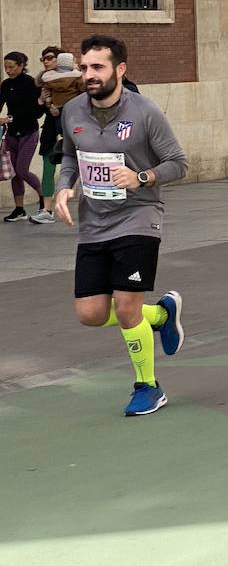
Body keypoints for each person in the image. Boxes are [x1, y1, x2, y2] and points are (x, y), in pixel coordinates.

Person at [54, 34, 189, 416]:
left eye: (97, 67)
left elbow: (178, 163)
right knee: (91, 313)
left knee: (128, 308)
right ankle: (161, 315)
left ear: (120, 69)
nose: (88, 75)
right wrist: (64, 188)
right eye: (84, 67)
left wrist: (141, 178)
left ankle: (147, 386)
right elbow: (69, 156)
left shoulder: (146, 112)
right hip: (94, 222)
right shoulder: (74, 111)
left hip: (139, 217)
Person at [32, 49, 83, 224]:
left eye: (50, 58)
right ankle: (46, 209)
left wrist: (59, 108)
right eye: (43, 59)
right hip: (50, 127)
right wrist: (41, 101)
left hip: (73, 126)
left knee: (78, 163)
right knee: (48, 162)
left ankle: (85, 204)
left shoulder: (76, 78)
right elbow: (36, 113)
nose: (46, 62)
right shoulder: (44, 82)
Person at [0, 51, 45, 221]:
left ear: (21, 66)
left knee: (22, 169)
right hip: (11, 133)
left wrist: (8, 118)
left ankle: (44, 197)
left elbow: (35, 112)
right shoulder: (5, 85)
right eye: (6, 67)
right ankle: (19, 209)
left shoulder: (30, 83)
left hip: (28, 132)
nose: (8, 70)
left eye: (11, 67)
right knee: (15, 173)